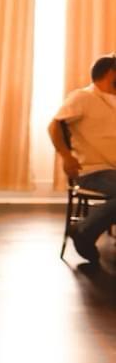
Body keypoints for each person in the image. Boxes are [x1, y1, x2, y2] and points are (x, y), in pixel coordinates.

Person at [49, 54, 116, 262]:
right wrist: (66, 156)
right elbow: (54, 126)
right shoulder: (82, 97)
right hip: (93, 170)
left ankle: (83, 228)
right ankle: (84, 230)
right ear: (110, 73)